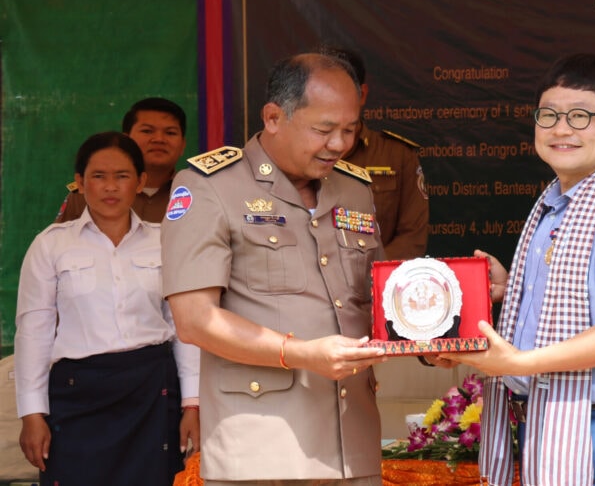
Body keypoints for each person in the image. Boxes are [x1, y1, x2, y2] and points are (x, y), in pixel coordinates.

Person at [443, 53, 595, 486]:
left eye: (581, 116)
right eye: (548, 115)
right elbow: (580, 303)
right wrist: (511, 290)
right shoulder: (553, 207)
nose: (561, 129)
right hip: (546, 422)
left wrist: (521, 362)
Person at [161, 52, 388, 486]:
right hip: (261, 450)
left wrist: (431, 339)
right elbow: (194, 320)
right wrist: (302, 354)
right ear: (273, 117)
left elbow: (379, 300)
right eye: (323, 130)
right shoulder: (210, 186)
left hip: (353, 448)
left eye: (349, 129)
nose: (339, 144)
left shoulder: (355, 189)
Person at [15, 131, 200, 486]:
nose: (110, 187)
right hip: (76, 394)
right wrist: (32, 413)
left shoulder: (166, 241)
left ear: (140, 182)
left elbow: (183, 328)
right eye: (99, 176)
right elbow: (33, 334)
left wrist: (192, 403)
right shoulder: (51, 245)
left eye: (122, 176)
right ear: (80, 183)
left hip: (152, 391)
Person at [318, 47, 429, 260]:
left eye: (341, 92)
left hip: (375, 285)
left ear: (362, 95)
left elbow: (412, 237)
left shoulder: (397, 156)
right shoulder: (296, 155)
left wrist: (370, 274)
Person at [56, 97, 188, 223]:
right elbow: (60, 242)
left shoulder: (195, 191)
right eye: (147, 131)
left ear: (182, 145)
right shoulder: (85, 193)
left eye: (170, 133)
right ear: (127, 140)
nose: (159, 139)